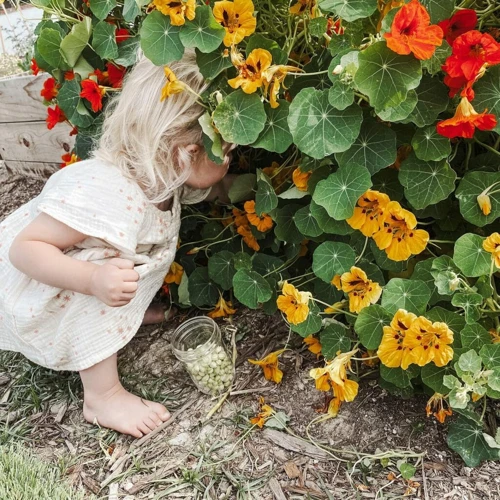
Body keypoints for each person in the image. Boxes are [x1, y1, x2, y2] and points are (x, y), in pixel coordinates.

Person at [0, 50, 235, 438]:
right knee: (107, 266)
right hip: (35, 282)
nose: (230, 158)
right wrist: (92, 281)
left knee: (118, 269)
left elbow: (214, 190)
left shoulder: (163, 178)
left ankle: (114, 316)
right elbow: (25, 249)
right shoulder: (106, 191)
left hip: (81, 272)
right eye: (225, 151)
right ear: (187, 154)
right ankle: (102, 397)